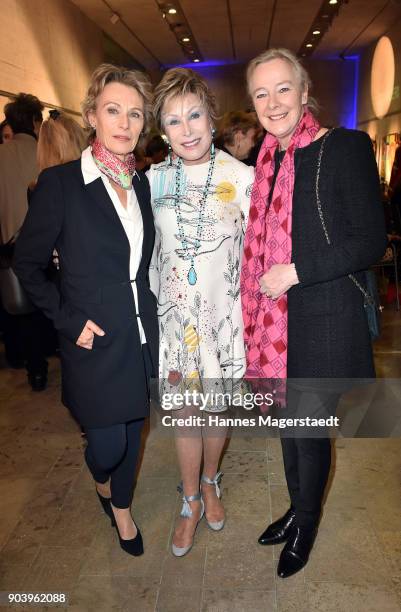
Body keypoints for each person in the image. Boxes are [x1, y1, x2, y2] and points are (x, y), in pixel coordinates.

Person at [241, 48, 387, 578]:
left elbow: (370, 241)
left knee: (309, 428)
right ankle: (296, 506)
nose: (273, 102)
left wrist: (295, 270)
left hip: (323, 316)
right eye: (261, 93)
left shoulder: (343, 147)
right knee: (287, 425)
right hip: (276, 322)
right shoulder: (267, 160)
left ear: (305, 93)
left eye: (283, 88)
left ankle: (306, 522)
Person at [13, 64, 158, 556]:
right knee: (108, 447)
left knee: (131, 435)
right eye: (113, 110)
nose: (124, 122)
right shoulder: (60, 184)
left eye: (135, 114)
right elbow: (27, 265)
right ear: (92, 115)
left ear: (144, 123)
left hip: (139, 334)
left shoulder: (141, 185)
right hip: (91, 337)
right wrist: (69, 320)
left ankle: (121, 509)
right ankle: (103, 482)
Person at [148, 68, 254, 557]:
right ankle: (189, 499)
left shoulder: (242, 177)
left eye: (193, 115)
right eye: (173, 120)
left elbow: (261, 256)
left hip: (223, 321)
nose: (186, 129)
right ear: (162, 130)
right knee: (187, 414)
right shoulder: (150, 181)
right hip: (176, 324)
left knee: (217, 411)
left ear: (211, 117)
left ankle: (211, 480)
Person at [0, 93, 44, 384]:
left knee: (18, 307)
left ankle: (32, 366)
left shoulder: (2, 154)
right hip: (42, 241)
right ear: (33, 120)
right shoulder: (43, 153)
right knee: (42, 306)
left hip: (8, 242)